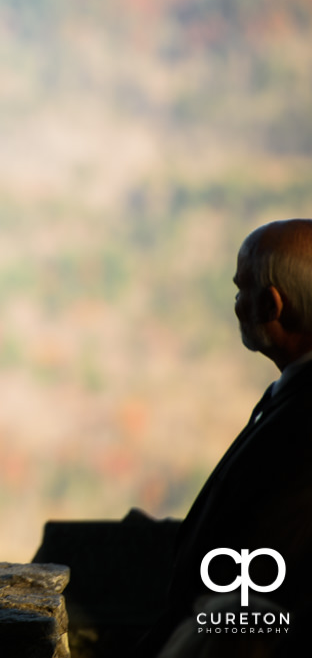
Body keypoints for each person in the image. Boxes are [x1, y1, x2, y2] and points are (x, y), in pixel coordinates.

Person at [140, 219, 312, 655]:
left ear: (273, 305)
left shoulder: (302, 422)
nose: (236, 304)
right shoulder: (293, 400)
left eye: (242, 288)